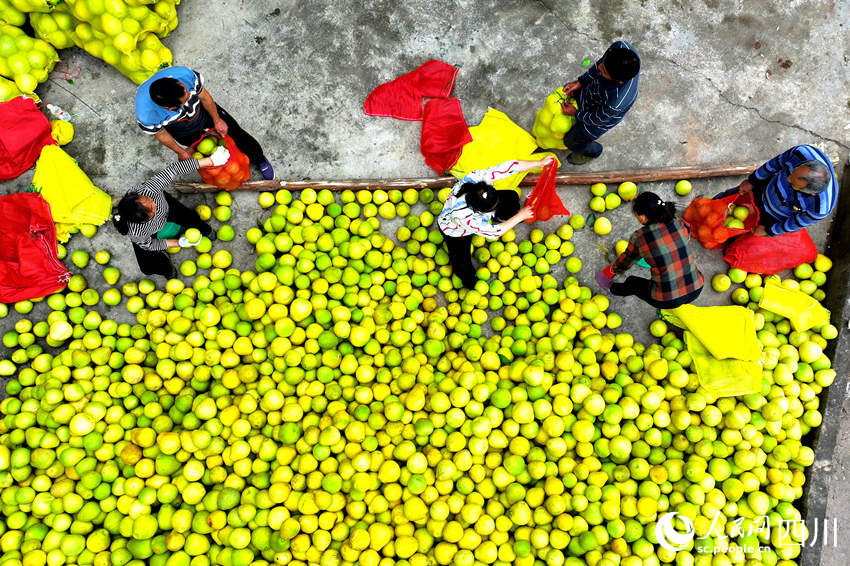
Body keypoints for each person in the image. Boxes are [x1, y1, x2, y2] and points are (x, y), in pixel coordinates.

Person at [134, 66, 275, 180]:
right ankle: (228, 167)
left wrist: (217, 119)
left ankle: (258, 158)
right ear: (169, 108)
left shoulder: (183, 75)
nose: (189, 94)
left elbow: (205, 97)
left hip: (204, 111)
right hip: (181, 128)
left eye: (187, 92)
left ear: (179, 83)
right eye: (185, 100)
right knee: (204, 150)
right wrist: (180, 151)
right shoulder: (146, 114)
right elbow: (161, 133)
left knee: (235, 133)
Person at [438, 157, 556, 288]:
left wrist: (539, 163)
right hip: (455, 230)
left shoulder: (478, 178)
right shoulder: (463, 215)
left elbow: (510, 167)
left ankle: (502, 217)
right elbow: (494, 232)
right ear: (478, 211)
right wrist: (520, 216)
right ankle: (469, 281)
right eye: (491, 210)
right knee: (461, 262)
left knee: (511, 197)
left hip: (480, 205)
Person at [113, 147, 230, 278]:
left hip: (168, 207)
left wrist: (210, 161)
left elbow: (174, 169)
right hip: (150, 231)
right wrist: (178, 243)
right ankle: (167, 269)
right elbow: (150, 244)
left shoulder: (147, 190)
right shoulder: (137, 232)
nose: (154, 203)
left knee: (191, 217)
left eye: (149, 200)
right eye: (151, 208)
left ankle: (206, 230)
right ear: (145, 220)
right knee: (147, 267)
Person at [598, 192, 703, 309]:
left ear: (642, 217)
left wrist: (612, 270)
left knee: (632, 282)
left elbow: (626, 261)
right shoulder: (678, 221)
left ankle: (611, 288)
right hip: (696, 287)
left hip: (666, 299)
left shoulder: (641, 237)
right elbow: (685, 235)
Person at [714, 144, 837, 237]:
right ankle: (711, 207)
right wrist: (752, 181)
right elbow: (775, 164)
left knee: (742, 231)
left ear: (811, 193)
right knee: (727, 199)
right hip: (766, 187)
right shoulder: (801, 153)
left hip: (777, 214)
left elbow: (795, 223)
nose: (788, 178)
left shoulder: (820, 208)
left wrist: (768, 231)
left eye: (794, 184)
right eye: (792, 173)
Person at [560, 40, 640, 165]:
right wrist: (581, 82)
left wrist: (575, 113)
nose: (599, 67)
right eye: (604, 63)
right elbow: (601, 64)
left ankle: (592, 152)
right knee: (569, 91)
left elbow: (597, 119)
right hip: (592, 93)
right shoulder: (621, 48)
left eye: (604, 71)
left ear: (618, 81)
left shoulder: (616, 103)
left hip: (598, 121)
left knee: (571, 141)